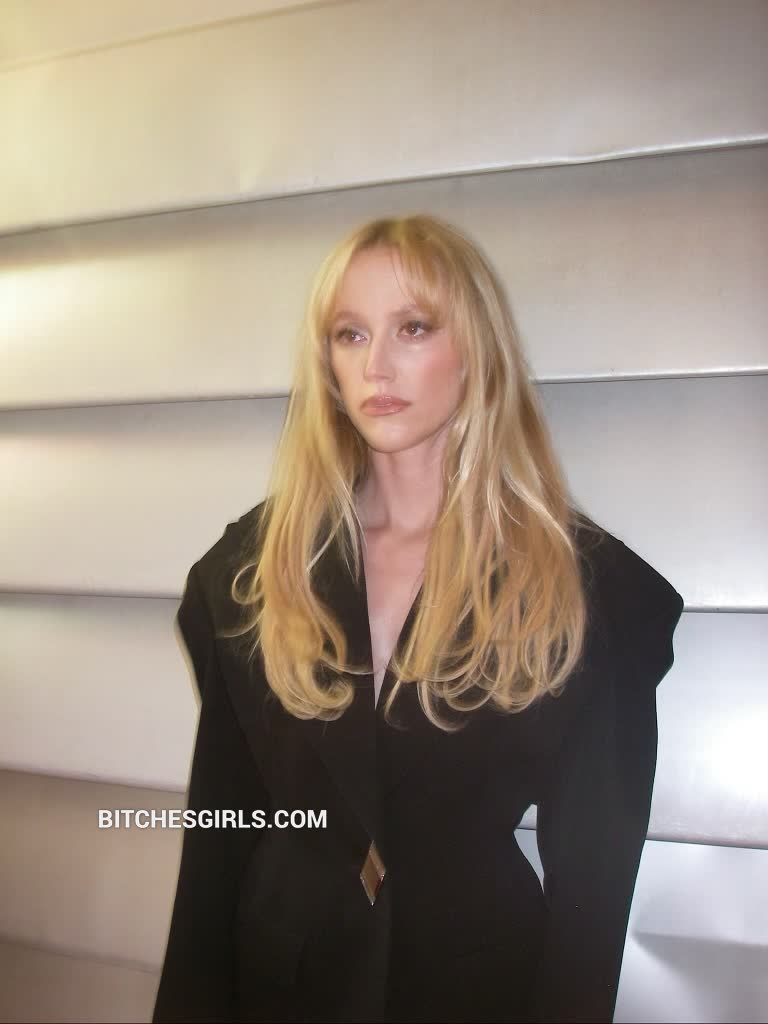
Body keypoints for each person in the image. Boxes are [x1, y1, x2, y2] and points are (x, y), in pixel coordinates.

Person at [152, 214, 684, 1023]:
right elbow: (219, 839)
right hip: (281, 986)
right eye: (350, 334)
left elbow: (592, 894)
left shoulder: (585, 591)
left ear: (475, 349)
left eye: (413, 328)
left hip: (474, 988)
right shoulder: (252, 574)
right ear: (327, 364)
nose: (377, 365)